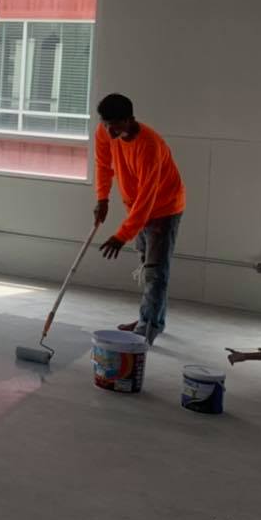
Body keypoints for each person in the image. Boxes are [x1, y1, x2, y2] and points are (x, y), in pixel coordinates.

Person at [92, 93, 185, 344]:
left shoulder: (149, 146)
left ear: (129, 119)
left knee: (155, 271)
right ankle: (149, 317)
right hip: (136, 207)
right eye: (106, 124)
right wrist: (102, 199)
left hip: (163, 209)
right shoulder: (105, 132)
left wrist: (121, 236)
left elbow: (147, 197)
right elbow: (103, 165)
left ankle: (148, 328)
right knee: (146, 266)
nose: (109, 131)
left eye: (115, 125)